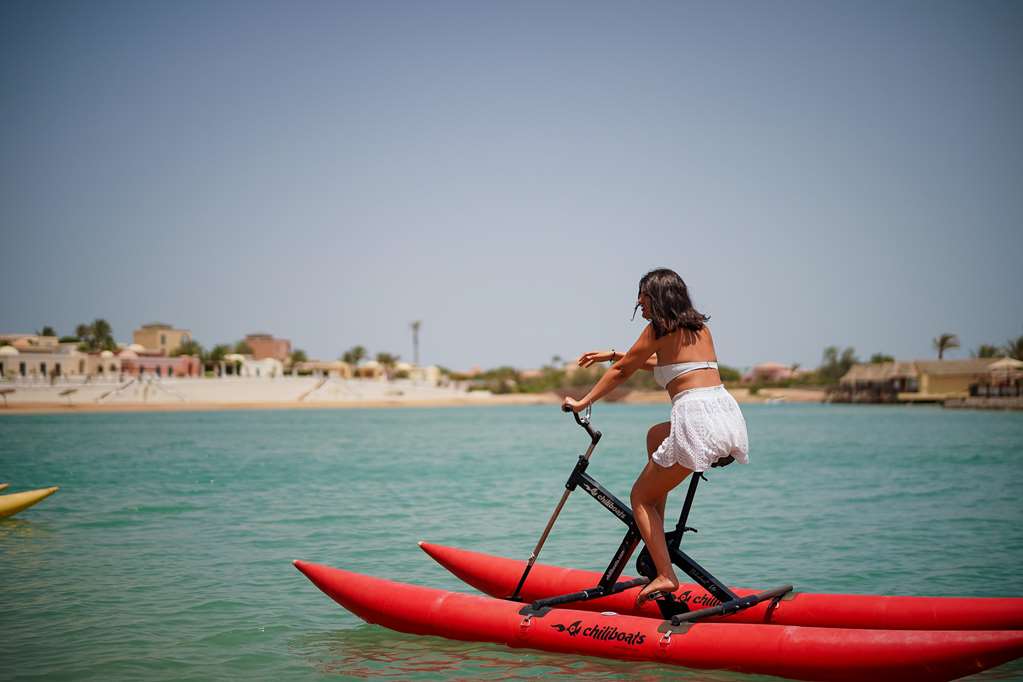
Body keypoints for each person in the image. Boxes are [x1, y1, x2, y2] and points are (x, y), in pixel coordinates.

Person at [562, 268, 749, 606]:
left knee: (640, 498)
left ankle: (665, 574)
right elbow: (666, 363)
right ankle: (656, 538)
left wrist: (583, 401)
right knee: (655, 437)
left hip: (695, 420)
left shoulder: (659, 328)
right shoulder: (699, 329)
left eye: (643, 295)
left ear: (659, 297)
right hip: (726, 418)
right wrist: (616, 354)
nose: (638, 302)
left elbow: (624, 372)